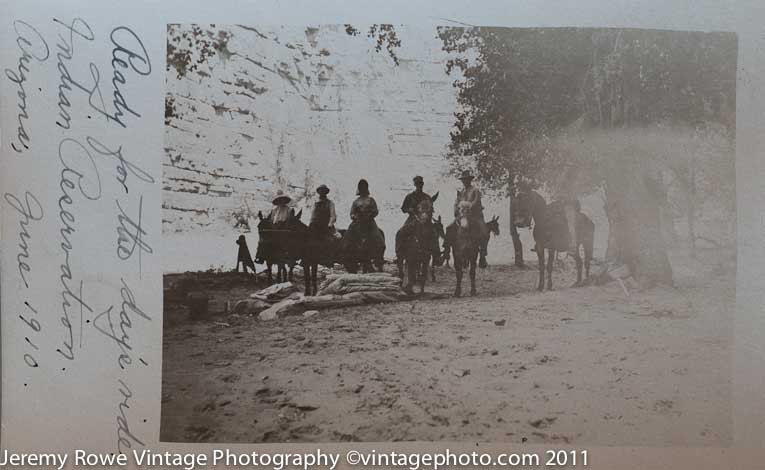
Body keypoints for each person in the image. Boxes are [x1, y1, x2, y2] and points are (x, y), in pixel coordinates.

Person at [398, 175, 441, 262]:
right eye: (417, 184)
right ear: (415, 185)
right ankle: (400, 255)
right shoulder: (410, 196)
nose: (419, 185)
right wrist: (409, 209)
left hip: (425, 220)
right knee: (401, 232)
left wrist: (429, 212)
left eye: (420, 184)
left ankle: (437, 256)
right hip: (412, 219)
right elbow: (403, 208)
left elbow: (431, 209)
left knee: (434, 233)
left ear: (422, 184)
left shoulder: (427, 197)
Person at [454, 170, 489, 266]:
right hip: (462, 215)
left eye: (466, 180)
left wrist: (469, 207)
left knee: (484, 231)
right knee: (450, 228)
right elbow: (456, 202)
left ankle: (482, 254)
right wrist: (456, 211)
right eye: (463, 180)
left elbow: (476, 202)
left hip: (475, 215)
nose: (465, 181)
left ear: (470, 180)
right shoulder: (461, 192)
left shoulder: (475, 190)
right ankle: (446, 251)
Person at [347, 179, 384, 252]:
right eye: (361, 187)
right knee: (348, 235)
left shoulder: (371, 200)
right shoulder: (356, 201)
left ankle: (379, 254)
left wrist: (370, 215)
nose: (362, 189)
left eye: (364, 187)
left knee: (377, 237)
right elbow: (352, 213)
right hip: (358, 222)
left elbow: (375, 211)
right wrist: (355, 217)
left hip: (369, 222)